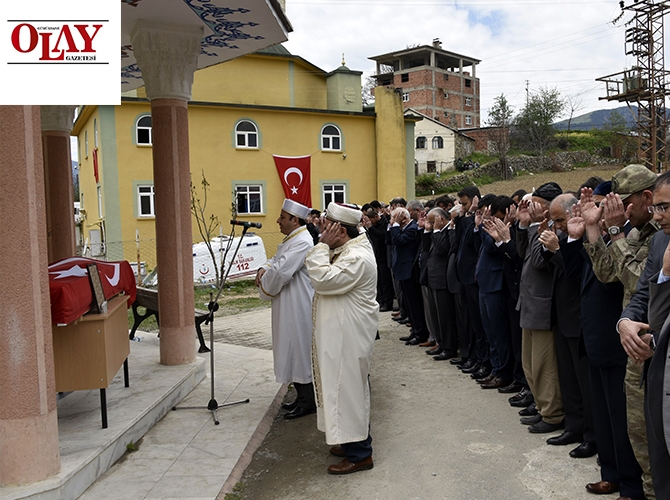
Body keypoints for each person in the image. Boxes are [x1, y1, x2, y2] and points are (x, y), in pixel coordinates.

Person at [582, 164, 659, 499]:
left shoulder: (659, 234)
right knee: (635, 430)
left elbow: (638, 281)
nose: (621, 211)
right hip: (632, 341)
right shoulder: (636, 232)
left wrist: (613, 233)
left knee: (651, 433)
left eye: (626, 202)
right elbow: (607, 273)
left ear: (646, 197)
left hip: (652, 344)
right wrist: (595, 232)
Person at [304, 202, 379, 475]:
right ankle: (347, 440)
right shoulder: (349, 248)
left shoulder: (356, 256)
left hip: (348, 336)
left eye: (326, 225)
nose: (321, 229)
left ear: (339, 230)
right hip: (342, 333)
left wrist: (321, 246)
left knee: (347, 390)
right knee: (342, 389)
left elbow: (323, 279)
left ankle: (359, 453)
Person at [256, 199, 315, 420]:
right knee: (290, 348)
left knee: (298, 351)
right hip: (289, 304)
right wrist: (264, 267)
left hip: (298, 306)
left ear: (294, 219)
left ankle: (307, 401)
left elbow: (281, 272)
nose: (278, 221)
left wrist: (265, 281)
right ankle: (302, 397)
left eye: (282, 217)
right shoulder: (293, 239)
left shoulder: (302, 242)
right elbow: (276, 260)